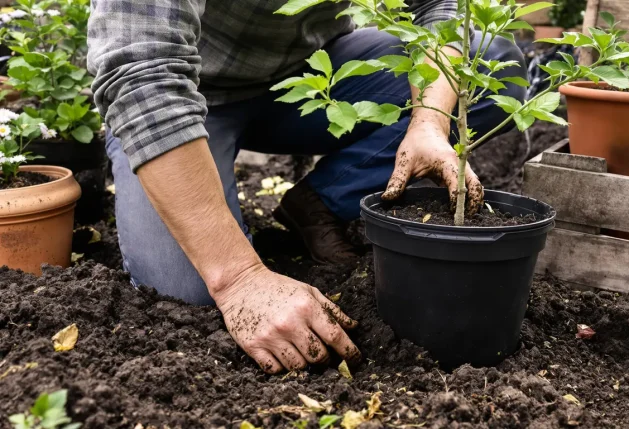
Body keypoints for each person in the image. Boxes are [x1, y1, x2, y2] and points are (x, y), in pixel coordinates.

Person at [87, 0, 527, 374]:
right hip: (186, 89)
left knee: (489, 69)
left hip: (310, 77)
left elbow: (439, 7)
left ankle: (322, 200)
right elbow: (140, 70)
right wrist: (240, 279)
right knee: (190, 296)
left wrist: (430, 121)